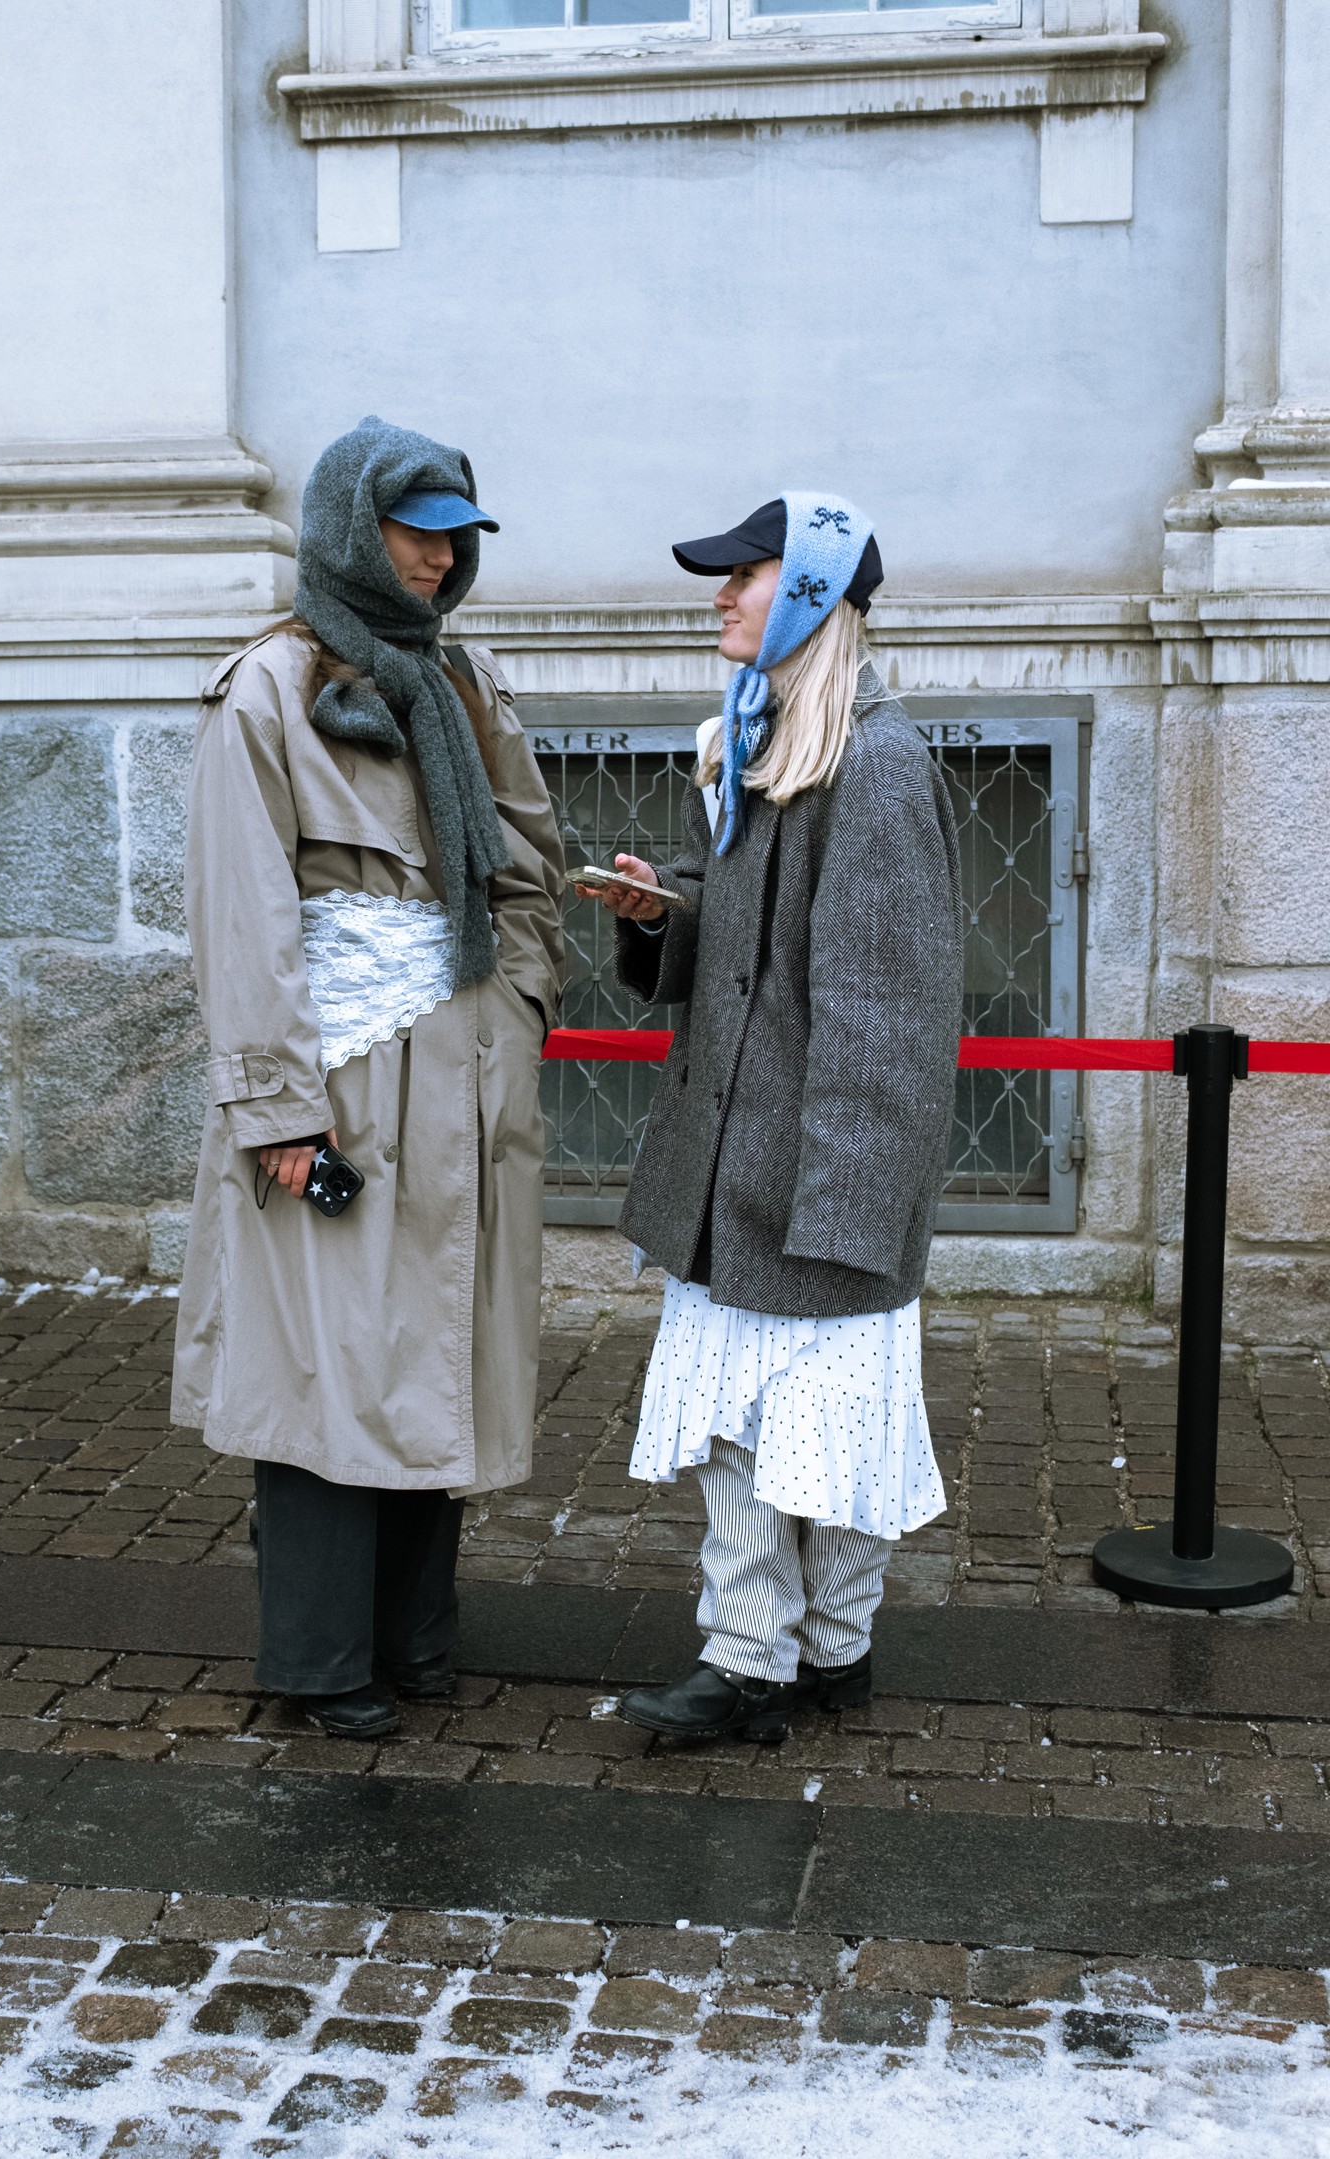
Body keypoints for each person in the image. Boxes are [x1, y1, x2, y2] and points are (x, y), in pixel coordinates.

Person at [172, 415, 566, 1738]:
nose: (439, 558)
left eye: (457, 535)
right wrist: (275, 1108)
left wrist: (513, 1008)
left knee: (433, 1348)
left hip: (461, 1076)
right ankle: (323, 1657)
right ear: (353, 524)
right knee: (328, 1364)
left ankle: (413, 1638)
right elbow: (243, 914)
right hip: (334, 1083)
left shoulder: (464, 685)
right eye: (416, 529)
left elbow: (524, 864)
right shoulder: (269, 688)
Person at [577, 492, 960, 1743]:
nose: (720, 597)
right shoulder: (771, 737)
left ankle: (804, 1655)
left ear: (806, 596)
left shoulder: (877, 764)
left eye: (743, 577)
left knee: (826, 1429)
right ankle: (773, 1650)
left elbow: (886, 1011)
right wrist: (663, 915)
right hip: (737, 1165)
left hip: (811, 1177)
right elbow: (750, 959)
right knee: (748, 1431)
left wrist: (845, 1207)